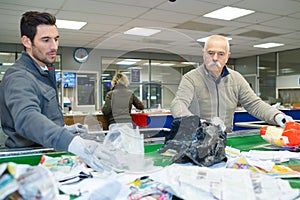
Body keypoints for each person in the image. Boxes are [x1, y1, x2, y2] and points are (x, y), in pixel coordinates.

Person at [0, 11, 116, 172]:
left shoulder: (42, 71)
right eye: (45, 40)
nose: (54, 46)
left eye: (56, 39)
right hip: (29, 163)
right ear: (26, 41)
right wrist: (74, 142)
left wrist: (63, 129)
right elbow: (27, 118)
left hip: (47, 155)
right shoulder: (19, 76)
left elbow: (43, 114)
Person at [171, 35, 293, 133]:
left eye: (220, 54)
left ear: (227, 57)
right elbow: (179, 104)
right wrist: (198, 123)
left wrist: (277, 116)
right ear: (203, 54)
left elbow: (254, 104)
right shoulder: (191, 78)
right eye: (210, 53)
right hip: (196, 138)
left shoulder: (236, 79)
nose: (215, 58)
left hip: (224, 139)